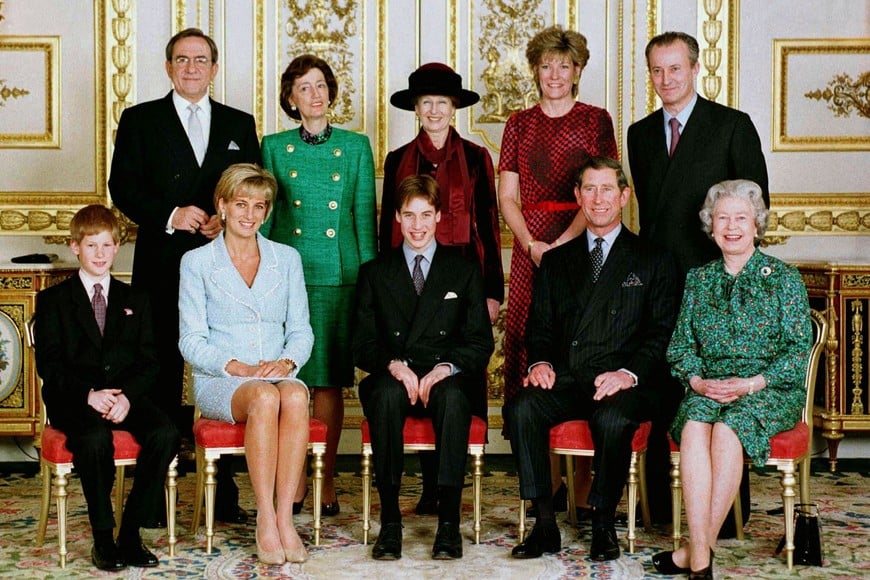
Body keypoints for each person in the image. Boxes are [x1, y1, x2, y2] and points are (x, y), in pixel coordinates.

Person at [108, 27, 260, 524]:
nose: (191, 67)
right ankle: (154, 495)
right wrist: (171, 213)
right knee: (162, 375)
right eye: (182, 59)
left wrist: (225, 216)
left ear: (214, 69)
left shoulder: (240, 122)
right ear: (169, 67)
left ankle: (226, 496)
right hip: (163, 266)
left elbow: (252, 185)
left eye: (200, 59)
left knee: (223, 368)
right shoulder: (140, 119)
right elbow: (122, 186)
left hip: (225, 265)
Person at [626, 30, 769, 529]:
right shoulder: (639, 133)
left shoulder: (731, 126)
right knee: (665, 388)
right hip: (658, 286)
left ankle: (722, 517)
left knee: (719, 394)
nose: (666, 79)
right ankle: (663, 513)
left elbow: (753, 213)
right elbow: (648, 219)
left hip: (718, 288)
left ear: (695, 68)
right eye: (657, 70)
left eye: (675, 68)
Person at [505, 157, 679, 561]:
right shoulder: (556, 260)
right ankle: (545, 523)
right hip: (570, 376)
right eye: (589, 189)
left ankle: (602, 522)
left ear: (623, 196)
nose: (598, 199)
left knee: (612, 419)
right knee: (521, 408)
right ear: (577, 196)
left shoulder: (653, 258)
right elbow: (540, 326)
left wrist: (626, 373)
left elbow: (661, 332)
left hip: (627, 382)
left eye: (606, 189)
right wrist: (541, 363)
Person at [651, 179, 811, 579]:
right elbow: (680, 347)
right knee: (693, 426)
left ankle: (693, 553)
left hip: (768, 389)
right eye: (722, 218)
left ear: (757, 224)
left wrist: (752, 383)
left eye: (741, 217)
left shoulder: (783, 278)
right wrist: (698, 381)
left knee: (727, 431)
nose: (732, 226)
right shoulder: (698, 279)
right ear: (711, 225)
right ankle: (702, 561)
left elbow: (796, 352)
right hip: (710, 384)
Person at [499, 24, 618, 517]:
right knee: (533, 344)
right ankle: (542, 487)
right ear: (535, 71)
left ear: (577, 72)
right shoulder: (519, 123)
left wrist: (563, 245)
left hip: (580, 238)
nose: (554, 74)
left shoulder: (595, 120)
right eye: (545, 65)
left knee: (583, 342)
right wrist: (531, 245)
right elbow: (507, 195)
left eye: (563, 66)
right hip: (531, 246)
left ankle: (588, 487)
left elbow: (602, 191)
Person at [381, 62, 503, 515]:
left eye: (443, 103)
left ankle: (446, 488)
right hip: (409, 284)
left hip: (461, 289)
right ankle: (426, 486)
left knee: (451, 380)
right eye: (426, 103)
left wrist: (492, 291)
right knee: (413, 375)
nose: (434, 110)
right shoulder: (398, 159)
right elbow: (385, 231)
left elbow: (487, 226)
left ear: (454, 109)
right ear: (416, 108)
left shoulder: (475, 157)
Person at [178, 164, 315, 564]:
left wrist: (287, 360)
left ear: (268, 212)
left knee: (292, 395)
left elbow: (302, 331)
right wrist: (234, 366)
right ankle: (266, 517)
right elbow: (190, 340)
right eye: (241, 204)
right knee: (264, 398)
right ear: (221, 206)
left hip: (277, 371)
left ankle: (286, 517)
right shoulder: (197, 262)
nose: (250, 214)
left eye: (259, 206)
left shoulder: (286, 259)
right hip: (222, 380)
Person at [353, 174, 494, 561]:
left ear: (439, 217)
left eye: (426, 215)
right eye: (409, 215)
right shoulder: (375, 272)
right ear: (397, 218)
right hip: (393, 376)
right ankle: (391, 521)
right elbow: (361, 344)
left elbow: (481, 342)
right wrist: (394, 366)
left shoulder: (462, 270)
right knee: (383, 394)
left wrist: (445, 368)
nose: (418, 225)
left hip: (444, 377)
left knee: (452, 398)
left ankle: (448, 521)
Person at [34, 205, 180, 571]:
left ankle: (130, 532)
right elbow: (49, 366)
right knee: (94, 440)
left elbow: (150, 362)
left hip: (124, 395)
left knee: (165, 432)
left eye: (106, 246)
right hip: (75, 398)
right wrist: (89, 395)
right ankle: (103, 536)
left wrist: (127, 396)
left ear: (117, 247)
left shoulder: (137, 300)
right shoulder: (54, 301)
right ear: (75, 247)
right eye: (91, 246)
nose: (99, 254)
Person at [261, 54, 377, 516]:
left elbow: (363, 221)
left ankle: (324, 477)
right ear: (291, 98)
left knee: (327, 383)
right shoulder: (273, 146)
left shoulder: (355, 147)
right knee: (292, 380)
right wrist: (259, 281)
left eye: (321, 85)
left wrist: (370, 285)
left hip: (337, 278)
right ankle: (292, 481)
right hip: (289, 276)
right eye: (304, 87)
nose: (315, 94)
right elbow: (267, 223)